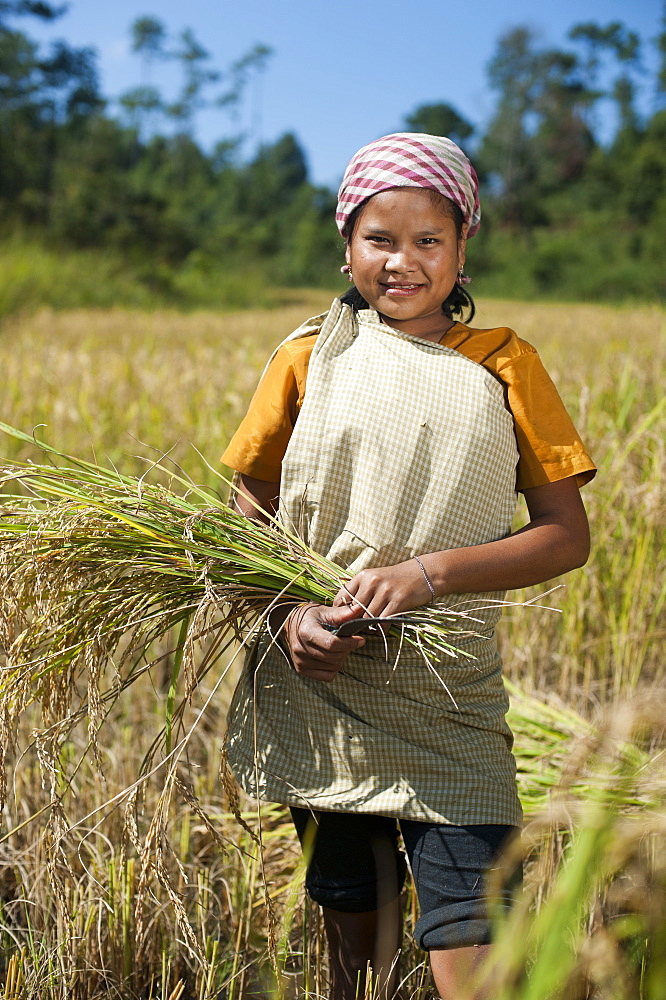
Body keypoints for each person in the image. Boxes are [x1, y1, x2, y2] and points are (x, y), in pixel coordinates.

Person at [222, 133, 595, 1000]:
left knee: (471, 936)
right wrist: (290, 621)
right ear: (346, 243)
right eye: (379, 239)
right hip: (324, 688)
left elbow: (564, 535)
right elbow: (244, 522)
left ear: (464, 246)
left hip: (449, 699)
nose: (402, 262)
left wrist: (429, 575)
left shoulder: (504, 364)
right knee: (354, 935)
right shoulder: (308, 357)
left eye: (428, 240)